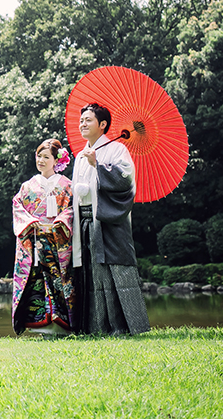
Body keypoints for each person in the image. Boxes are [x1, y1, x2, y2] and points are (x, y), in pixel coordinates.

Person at [71, 102, 150, 335]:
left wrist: (99, 165)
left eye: (88, 120)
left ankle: (123, 326)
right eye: (81, 120)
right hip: (84, 220)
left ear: (103, 124)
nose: (82, 124)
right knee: (91, 272)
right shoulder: (78, 156)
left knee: (114, 270)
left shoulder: (117, 150)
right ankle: (94, 326)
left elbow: (125, 181)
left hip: (107, 220)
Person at [11, 138, 75, 336]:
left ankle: (61, 325)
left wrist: (61, 222)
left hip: (57, 240)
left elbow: (72, 209)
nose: (41, 160)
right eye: (39, 156)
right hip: (34, 239)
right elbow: (17, 206)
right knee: (35, 279)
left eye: (46, 157)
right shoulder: (28, 186)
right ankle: (37, 324)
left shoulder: (66, 185)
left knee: (58, 279)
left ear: (56, 161)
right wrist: (30, 222)